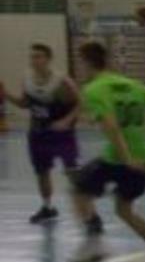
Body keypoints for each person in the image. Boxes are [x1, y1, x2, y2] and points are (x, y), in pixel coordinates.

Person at [68, 41, 145, 262]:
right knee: (124, 210)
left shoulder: (95, 89)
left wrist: (126, 157)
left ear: (86, 62)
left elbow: (111, 125)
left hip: (120, 159)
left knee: (78, 188)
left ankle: (94, 240)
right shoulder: (133, 85)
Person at [1, 43, 90, 226]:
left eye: (39, 56)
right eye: (32, 56)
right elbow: (25, 104)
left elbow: (81, 103)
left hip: (62, 134)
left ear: (48, 59)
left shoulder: (61, 81)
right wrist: (6, 94)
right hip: (38, 133)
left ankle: (89, 213)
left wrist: (67, 121)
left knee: (72, 172)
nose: (34, 60)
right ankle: (47, 207)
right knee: (42, 172)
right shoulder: (27, 79)